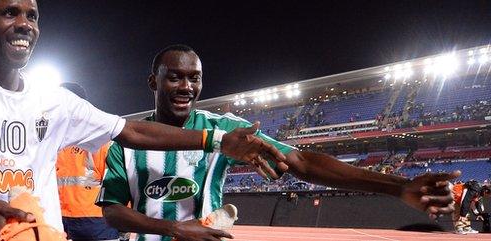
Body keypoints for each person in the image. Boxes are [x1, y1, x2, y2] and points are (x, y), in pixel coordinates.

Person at [0, 1, 287, 240]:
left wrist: (217, 141)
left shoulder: (56, 101)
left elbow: (132, 130)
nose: (24, 23)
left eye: (32, 15)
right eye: (9, 13)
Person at [96, 44, 460, 241]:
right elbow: (113, 211)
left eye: (195, 78)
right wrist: (173, 229)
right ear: (153, 83)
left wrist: (397, 187)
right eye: (174, 77)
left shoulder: (228, 129)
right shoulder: (127, 141)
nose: (186, 87)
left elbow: (302, 162)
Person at [55, 82, 123, 241]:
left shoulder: (99, 137)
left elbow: (116, 182)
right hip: (63, 217)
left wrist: (123, 220)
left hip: (96, 218)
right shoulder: (55, 139)